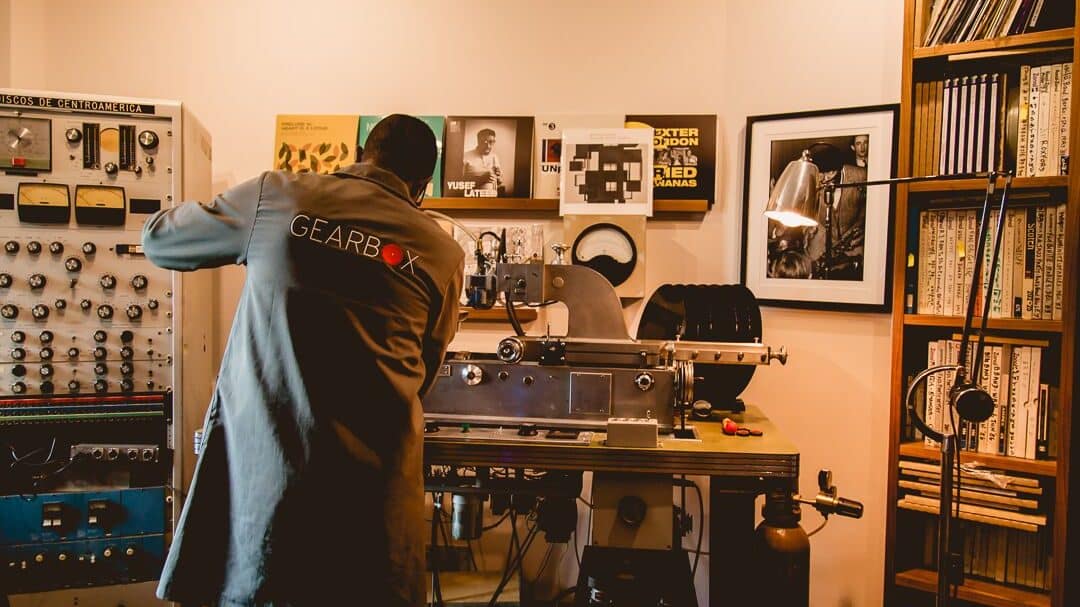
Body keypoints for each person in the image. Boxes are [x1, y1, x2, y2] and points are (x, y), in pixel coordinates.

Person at [144, 114, 465, 606]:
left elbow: (161, 240)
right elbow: (424, 368)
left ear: (361, 155)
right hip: (371, 496)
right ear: (421, 187)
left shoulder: (280, 194)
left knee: (264, 582)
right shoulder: (440, 251)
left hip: (272, 479)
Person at [461, 127, 503, 194]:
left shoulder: (494, 157)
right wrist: (481, 179)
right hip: (472, 201)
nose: (488, 146)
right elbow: (457, 183)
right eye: (484, 142)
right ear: (478, 141)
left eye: (491, 142)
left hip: (492, 200)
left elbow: (499, 182)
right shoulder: (465, 156)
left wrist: (499, 178)